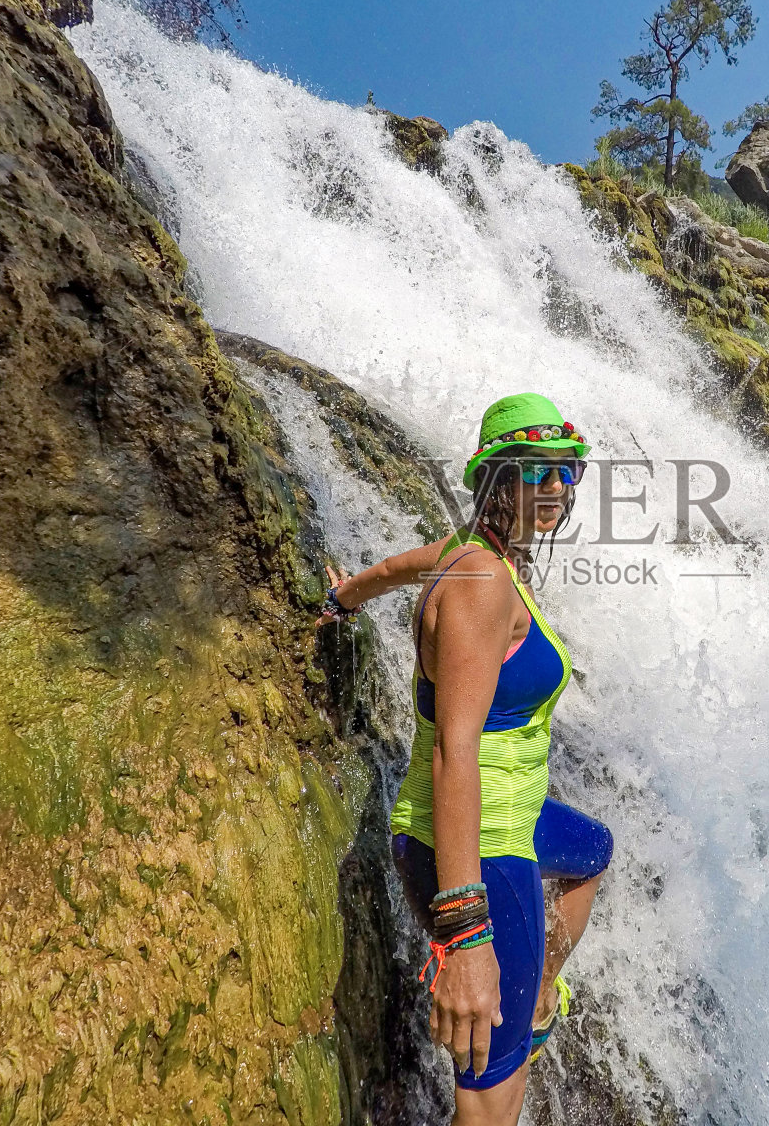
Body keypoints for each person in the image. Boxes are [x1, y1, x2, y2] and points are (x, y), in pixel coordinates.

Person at [315, 393, 614, 1125]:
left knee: (593, 851)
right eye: (537, 470)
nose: (556, 486)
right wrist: (468, 934)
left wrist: (344, 596)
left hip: (509, 817)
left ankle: (537, 993)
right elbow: (455, 752)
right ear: (498, 479)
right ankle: (517, 1000)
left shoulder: (470, 554)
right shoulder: (482, 586)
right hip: (479, 850)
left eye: (567, 472)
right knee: (489, 1092)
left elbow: (398, 566)